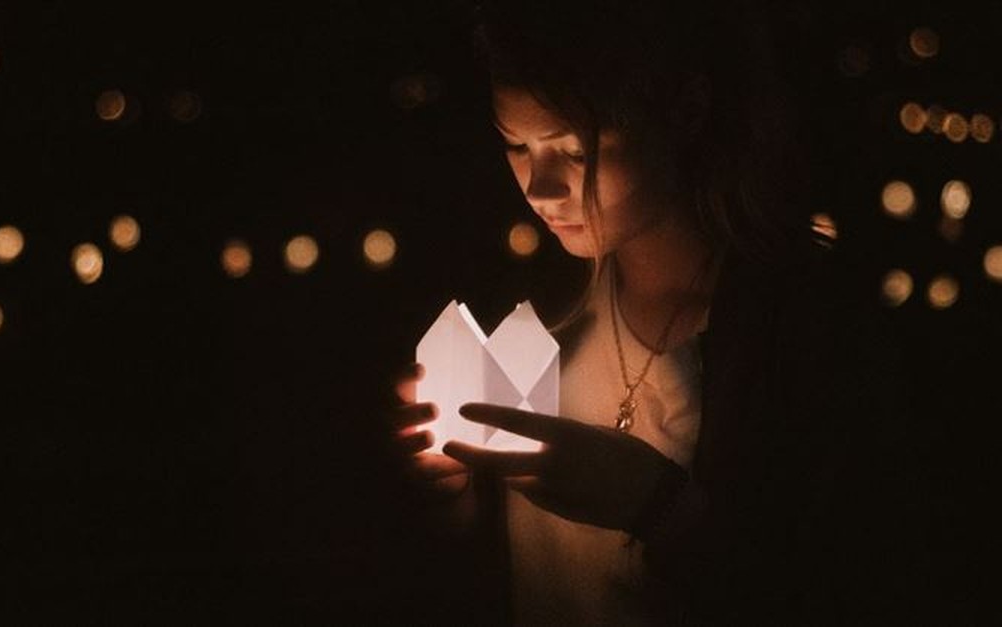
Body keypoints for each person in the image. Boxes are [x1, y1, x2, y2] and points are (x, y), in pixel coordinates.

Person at [388, 1, 924, 624]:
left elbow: (846, 582)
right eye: (517, 145)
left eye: (575, 150)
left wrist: (657, 507)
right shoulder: (528, 312)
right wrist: (450, 493)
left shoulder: (798, 326)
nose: (540, 187)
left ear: (685, 112)